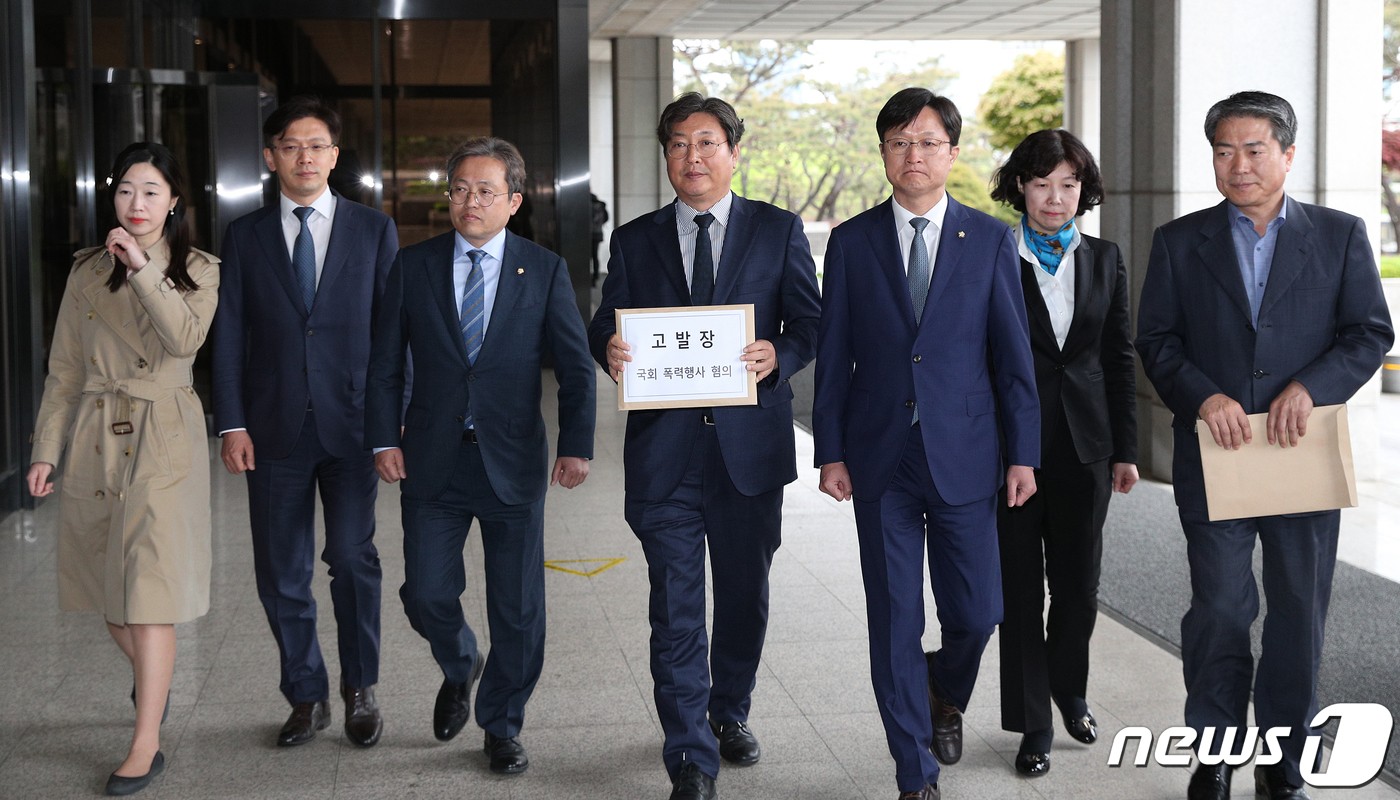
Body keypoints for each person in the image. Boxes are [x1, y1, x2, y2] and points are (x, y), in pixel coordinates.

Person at [1135, 91, 1393, 800]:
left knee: (1298, 611)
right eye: (1223, 150)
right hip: (1216, 458)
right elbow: (1156, 341)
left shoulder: (1338, 235)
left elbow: (1369, 332)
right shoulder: (1180, 242)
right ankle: (1214, 752)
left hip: (1299, 454)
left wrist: (1313, 387)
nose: (1238, 164)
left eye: (1253, 149)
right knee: (1218, 607)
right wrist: (1202, 394)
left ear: (1287, 153)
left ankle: (1285, 758)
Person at [588, 92, 820, 800]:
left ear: (733, 151)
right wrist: (612, 349)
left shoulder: (778, 230)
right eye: (680, 144)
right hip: (666, 455)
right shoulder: (633, 239)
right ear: (666, 157)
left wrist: (774, 354)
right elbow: (606, 322)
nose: (693, 156)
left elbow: (810, 323)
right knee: (677, 605)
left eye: (707, 142)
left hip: (749, 454)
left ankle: (730, 710)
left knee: (745, 597)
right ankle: (689, 751)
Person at [811, 87, 1040, 800]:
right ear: (883, 153)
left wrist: (1023, 453)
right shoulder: (851, 242)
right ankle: (915, 770)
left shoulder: (993, 238)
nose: (914, 154)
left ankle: (944, 687)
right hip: (881, 456)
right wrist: (829, 450)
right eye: (899, 142)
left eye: (929, 141)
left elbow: (1012, 357)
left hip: (967, 454)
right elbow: (835, 351)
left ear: (953, 152)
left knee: (978, 613)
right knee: (894, 620)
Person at [365, 136, 595, 776]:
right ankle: (459, 658)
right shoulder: (413, 266)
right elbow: (385, 364)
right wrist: (384, 437)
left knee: (518, 609)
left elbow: (575, 369)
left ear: (514, 201)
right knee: (426, 592)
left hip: (513, 462)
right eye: (461, 188)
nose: (471, 200)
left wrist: (577, 444)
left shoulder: (543, 268)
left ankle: (502, 723)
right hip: (432, 458)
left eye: (486, 190)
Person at [28, 142, 218, 796]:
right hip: (95, 438)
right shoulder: (85, 272)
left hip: (164, 435)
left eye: (150, 191)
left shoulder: (197, 267)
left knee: (147, 592)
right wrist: (45, 450)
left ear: (174, 203)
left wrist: (143, 269)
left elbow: (185, 340)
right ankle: (152, 682)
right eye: (124, 191)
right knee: (110, 600)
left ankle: (145, 741)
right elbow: (64, 371)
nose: (135, 204)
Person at [211, 97, 398, 748]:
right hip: (271, 431)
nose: (305, 157)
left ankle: (361, 689)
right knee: (280, 571)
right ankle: (307, 693)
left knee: (352, 558)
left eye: (317, 145)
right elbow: (229, 335)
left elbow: (391, 335)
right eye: (291, 146)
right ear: (270, 158)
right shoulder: (245, 236)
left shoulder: (374, 231)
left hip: (351, 427)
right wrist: (231, 423)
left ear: (336, 156)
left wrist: (389, 429)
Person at [987, 129, 1138, 778]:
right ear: (1020, 185)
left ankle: (1069, 690)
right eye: (1043, 183)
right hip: (1010, 452)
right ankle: (1034, 724)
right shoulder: (992, 253)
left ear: (1084, 190)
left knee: (1078, 587)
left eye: (1068, 185)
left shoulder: (1105, 259)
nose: (1055, 198)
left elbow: (1117, 358)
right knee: (1020, 591)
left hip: (1087, 449)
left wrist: (1126, 448)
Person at [591, 192, 609, 285]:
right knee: (595, 255)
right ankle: (595, 275)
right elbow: (606, 218)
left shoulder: (587, 206)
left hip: (588, 234)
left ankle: (589, 275)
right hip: (597, 233)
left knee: (588, 256)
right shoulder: (601, 206)